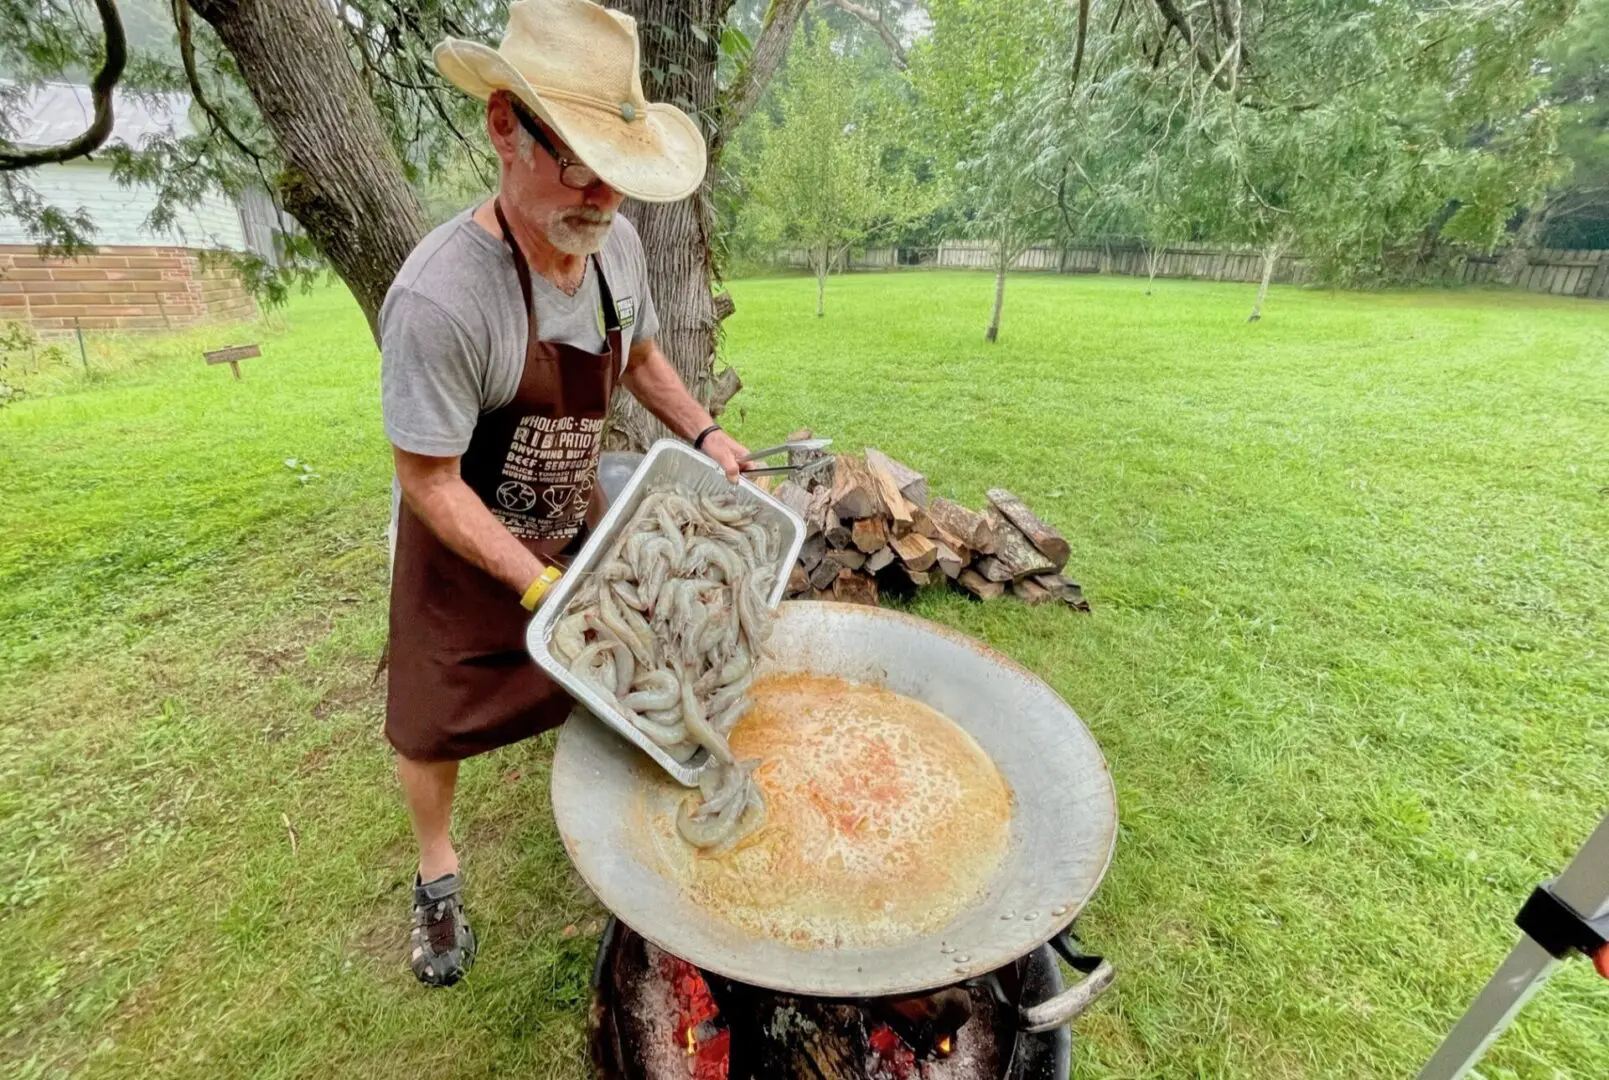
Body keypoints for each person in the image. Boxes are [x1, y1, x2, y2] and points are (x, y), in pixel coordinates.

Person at [379, 0, 750, 987]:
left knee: (617, 687)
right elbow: (426, 479)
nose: (600, 198)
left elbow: (641, 360)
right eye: (576, 161)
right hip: (458, 544)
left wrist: (706, 433)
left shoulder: (614, 251)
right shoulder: (441, 300)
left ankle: (631, 839)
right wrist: (533, 589)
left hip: (565, 523)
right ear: (506, 127)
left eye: (618, 176)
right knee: (431, 719)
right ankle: (436, 872)